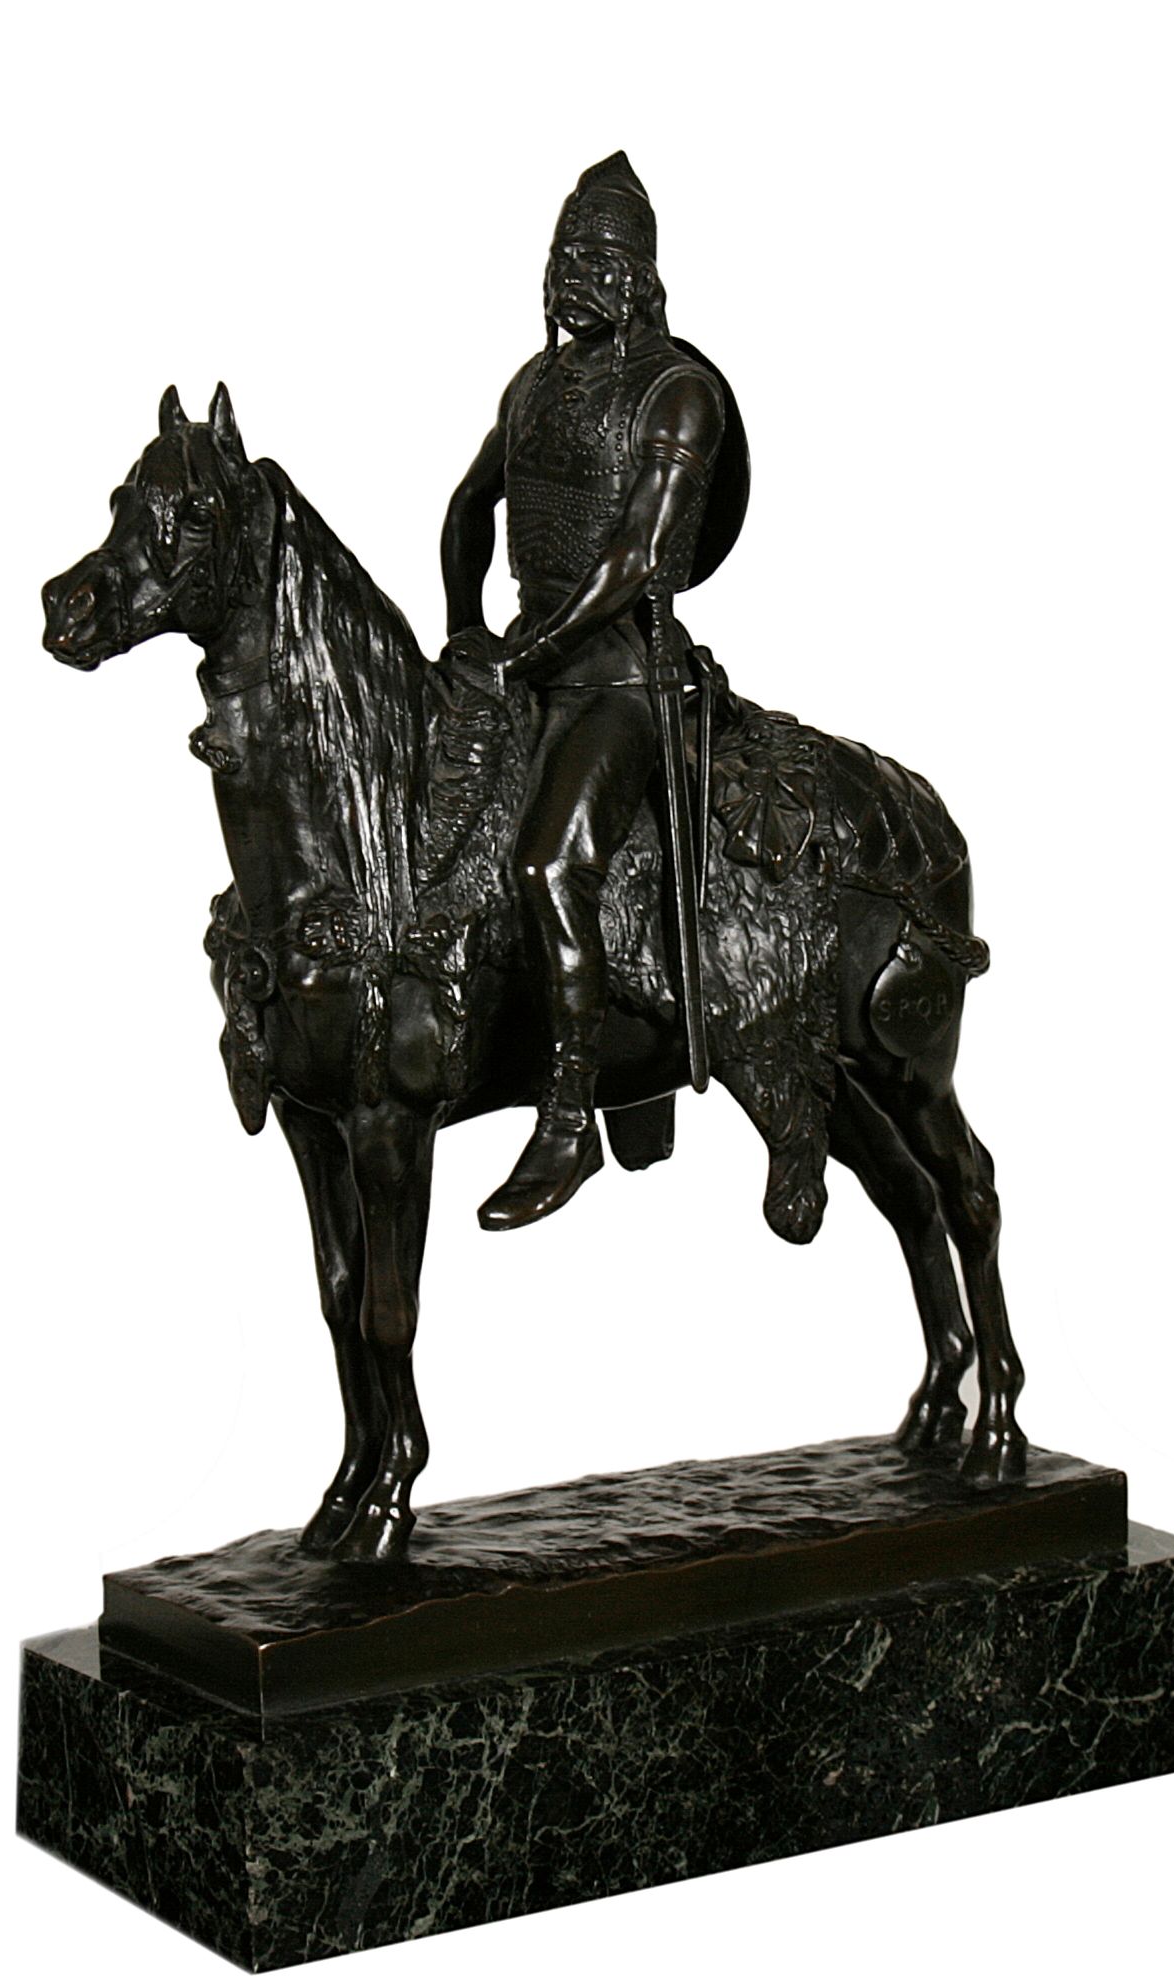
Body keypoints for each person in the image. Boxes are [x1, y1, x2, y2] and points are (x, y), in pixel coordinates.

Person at [442, 152, 731, 1230]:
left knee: (547, 859)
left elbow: (635, 557)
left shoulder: (677, 394)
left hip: (624, 678)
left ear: (640, 276)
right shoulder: (531, 388)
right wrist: (465, 631)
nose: (575, 275)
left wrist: (533, 649)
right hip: (528, 660)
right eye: (565, 256)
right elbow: (469, 507)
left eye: (597, 260)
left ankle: (568, 1122)